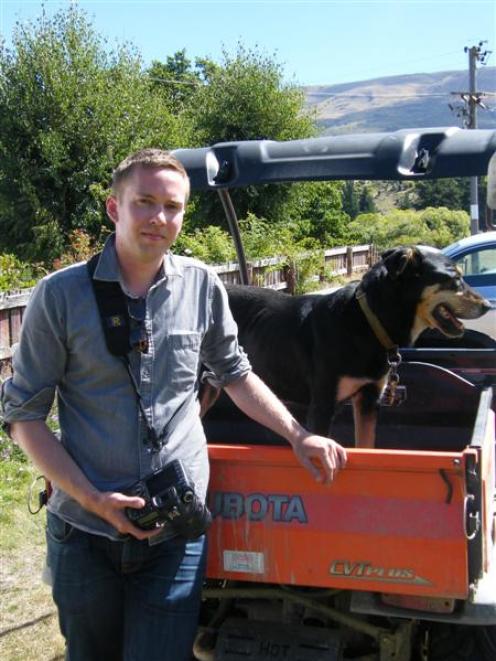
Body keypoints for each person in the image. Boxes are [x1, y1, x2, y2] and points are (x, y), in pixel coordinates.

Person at [1, 148, 347, 661]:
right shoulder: (60, 296)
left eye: (173, 207)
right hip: (85, 533)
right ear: (114, 208)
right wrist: (95, 499)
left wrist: (298, 434)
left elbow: (235, 374)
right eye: (145, 202)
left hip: (175, 532)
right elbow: (23, 416)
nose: (160, 218)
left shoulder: (202, 286)